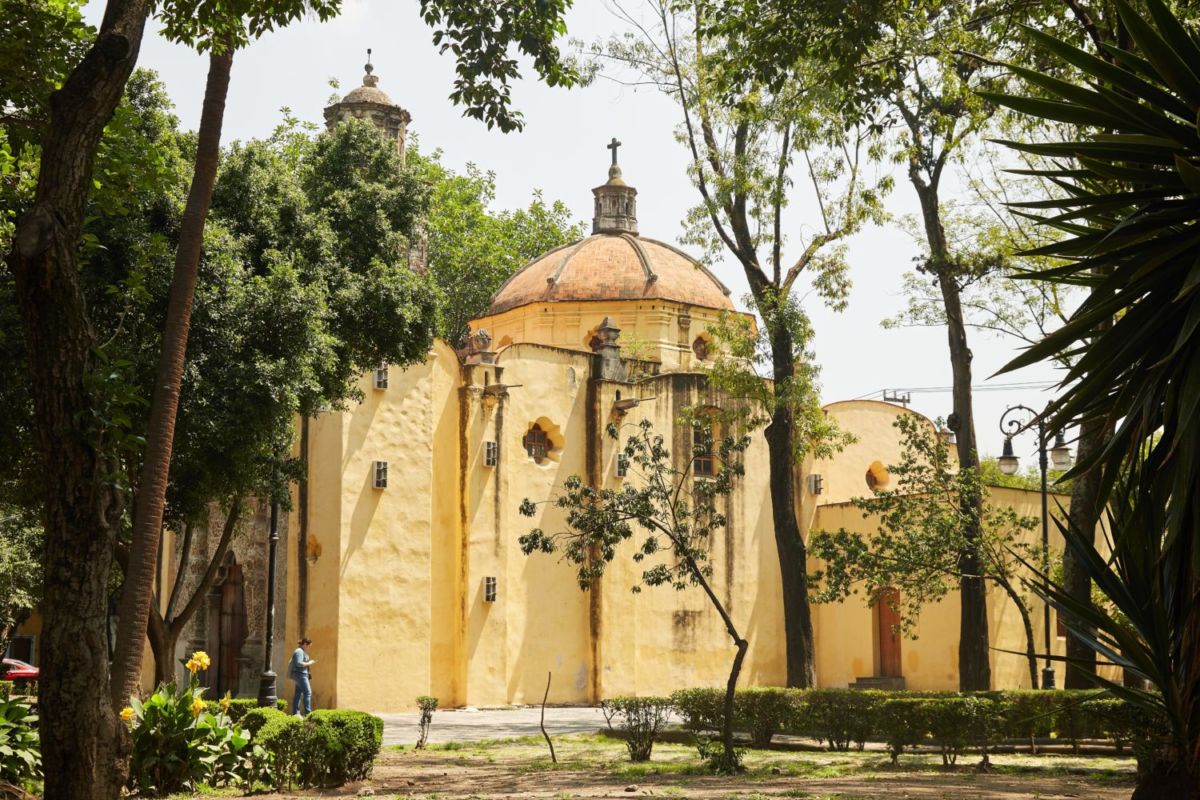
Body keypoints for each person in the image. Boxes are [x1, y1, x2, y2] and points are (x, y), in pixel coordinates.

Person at [288, 637, 316, 716]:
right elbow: (298, 663)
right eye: (309, 646)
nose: (309, 648)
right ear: (304, 644)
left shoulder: (301, 651)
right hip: (300, 675)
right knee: (308, 692)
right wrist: (309, 663)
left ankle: (296, 712)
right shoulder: (299, 651)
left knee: (298, 694)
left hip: (301, 674)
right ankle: (308, 713)